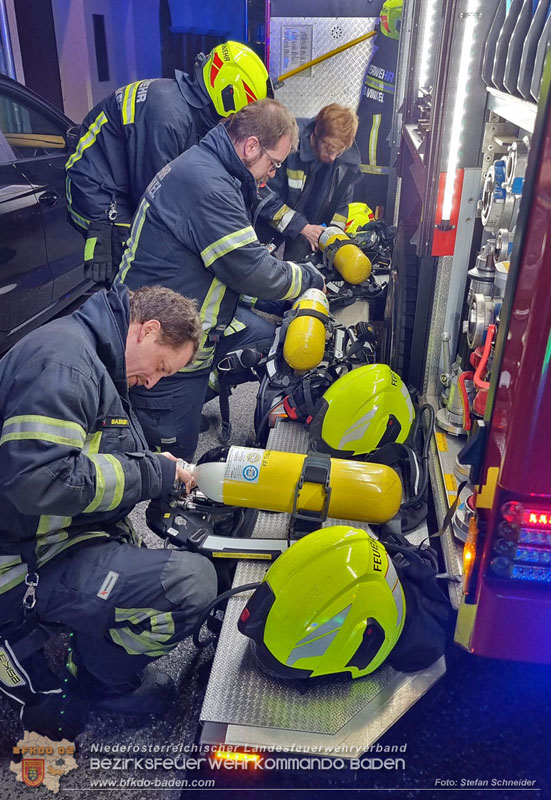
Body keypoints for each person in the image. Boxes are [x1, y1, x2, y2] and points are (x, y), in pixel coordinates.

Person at [0, 284, 218, 737]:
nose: (155, 381)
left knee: (140, 552)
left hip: (39, 538)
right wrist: (152, 474)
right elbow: (40, 481)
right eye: (160, 366)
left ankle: (87, 633)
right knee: (188, 584)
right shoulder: (64, 364)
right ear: (147, 329)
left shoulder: (88, 356)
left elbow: (101, 457)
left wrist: (163, 470)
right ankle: (99, 679)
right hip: (17, 563)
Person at [118, 98, 325, 462]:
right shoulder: (209, 185)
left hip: (181, 311)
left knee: (263, 337)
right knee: (174, 456)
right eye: (274, 163)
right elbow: (252, 270)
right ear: (250, 147)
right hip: (163, 338)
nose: (274, 173)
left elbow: (227, 265)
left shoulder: (212, 168)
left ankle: (199, 392)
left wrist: (275, 300)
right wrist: (307, 277)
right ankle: (162, 437)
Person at [65, 41, 273, 284]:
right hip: (97, 193)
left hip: (117, 183)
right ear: (229, 96)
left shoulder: (184, 106)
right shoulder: (168, 115)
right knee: (135, 271)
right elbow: (157, 199)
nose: (233, 123)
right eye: (237, 116)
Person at [259, 103, 361, 261]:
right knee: (258, 264)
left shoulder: (345, 165)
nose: (332, 157)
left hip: (310, 229)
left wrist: (331, 239)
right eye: (328, 147)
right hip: (269, 219)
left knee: (303, 273)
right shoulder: (287, 143)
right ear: (316, 132)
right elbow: (264, 195)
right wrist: (301, 226)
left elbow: (340, 211)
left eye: (338, 151)